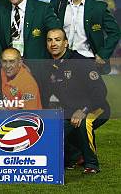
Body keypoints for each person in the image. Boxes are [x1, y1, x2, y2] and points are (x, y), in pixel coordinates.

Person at [46, 28, 110, 174]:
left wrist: (84, 110)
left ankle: (92, 164)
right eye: (50, 40)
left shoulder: (80, 61)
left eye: (58, 39)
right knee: (55, 127)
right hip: (70, 110)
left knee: (84, 122)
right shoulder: (49, 64)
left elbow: (100, 91)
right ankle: (74, 157)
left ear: (66, 43)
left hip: (97, 107)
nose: (53, 43)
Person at [50, 0, 120, 74]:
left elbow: (115, 32)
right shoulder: (58, 5)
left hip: (88, 60)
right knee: (63, 90)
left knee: (93, 91)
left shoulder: (98, 8)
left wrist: (103, 54)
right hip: (62, 60)